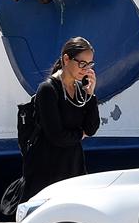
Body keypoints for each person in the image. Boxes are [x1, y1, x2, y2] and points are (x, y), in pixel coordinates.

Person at [21, 37, 100, 198]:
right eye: (82, 63)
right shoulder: (48, 89)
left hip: (73, 165)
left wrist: (91, 95)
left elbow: (91, 128)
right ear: (66, 59)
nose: (86, 69)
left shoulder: (80, 89)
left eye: (90, 64)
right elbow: (57, 136)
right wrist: (80, 134)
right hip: (48, 168)